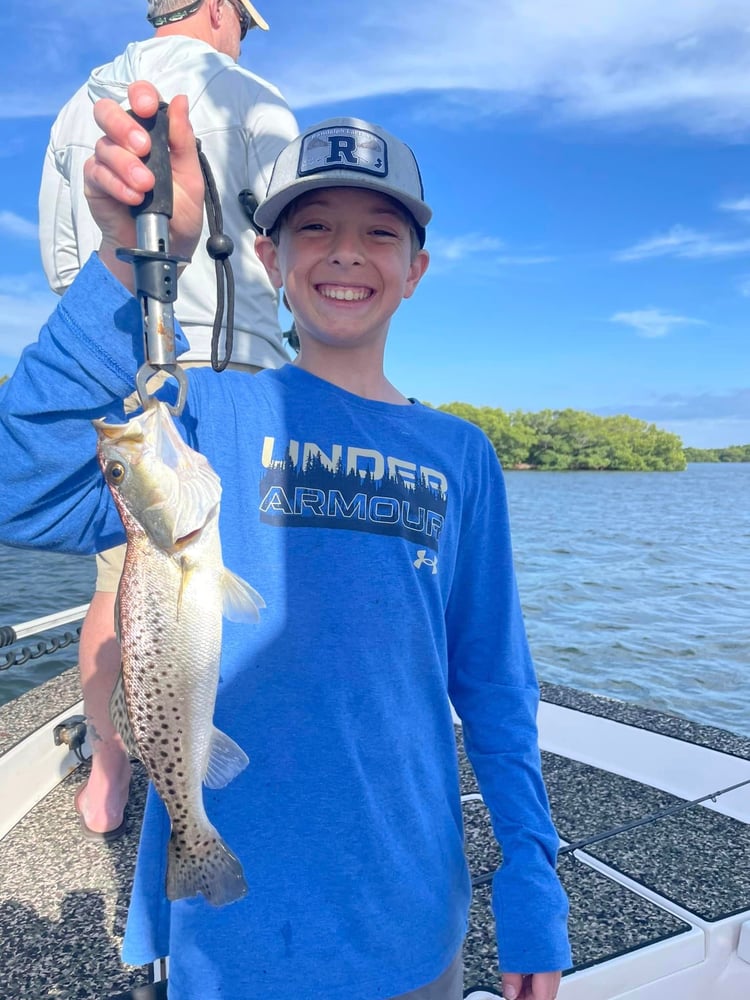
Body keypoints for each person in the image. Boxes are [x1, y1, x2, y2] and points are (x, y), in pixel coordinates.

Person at [1, 82, 571, 999]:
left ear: (418, 267)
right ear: (268, 257)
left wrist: (533, 887)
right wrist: (126, 259)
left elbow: (497, 685)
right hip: (233, 932)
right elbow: (19, 487)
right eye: (314, 228)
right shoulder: (205, 415)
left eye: (382, 232)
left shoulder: (463, 455)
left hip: (411, 916)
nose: (347, 252)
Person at [38, 0, 299, 837]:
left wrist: (111, 337)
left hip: (119, 356)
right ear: (223, 9)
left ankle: (109, 770)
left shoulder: (77, 110)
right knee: (253, 570)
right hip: (238, 369)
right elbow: (287, 241)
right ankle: (242, 751)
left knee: (121, 584)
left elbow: (64, 262)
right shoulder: (257, 99)